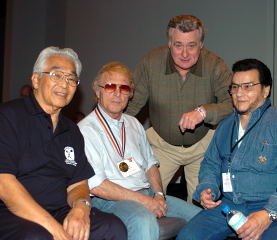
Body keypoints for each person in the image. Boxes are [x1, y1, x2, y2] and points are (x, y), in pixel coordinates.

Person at [0, 47, 127, 240]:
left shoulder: (71, 130)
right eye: (56, 74)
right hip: (12, 214)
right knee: (38, 237)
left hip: (59, 211)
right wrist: (53, 228)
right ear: (36, 80)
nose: (64, 84)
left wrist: (81, 208)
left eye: (71, 78)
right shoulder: (8, 116)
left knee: (112, 227)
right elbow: (4, 184)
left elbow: (78, 184)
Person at [78, 62, 201, 240]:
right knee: (143, 219)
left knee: (202, 218)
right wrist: (145, 202)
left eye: (124, 88)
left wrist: (158, 195)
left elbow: (150, 165)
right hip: (110, 201)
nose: (117, 93)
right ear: (98, 92)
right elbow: (97, 186)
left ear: (130, 94)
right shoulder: (85, 130)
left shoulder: (133, 124)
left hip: (147, 193)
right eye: (111, 86)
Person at [125, 15, 233, 203]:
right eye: (178, 45)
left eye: (191, 45)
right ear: (169, 44)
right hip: (161, 145)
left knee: (201, 204)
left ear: (201, 45)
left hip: (202, 147)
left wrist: (203, 112)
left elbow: (232, 104)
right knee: (146, 199)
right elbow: (133, 105)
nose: (184, 53)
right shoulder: (150, 63)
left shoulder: (215, 65)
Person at [177, 59, 277, 240]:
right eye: (235, 87)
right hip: (228, 206)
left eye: (248, 86)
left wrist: (269, 213)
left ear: (266, 90)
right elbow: (211, 163)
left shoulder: (274, 123)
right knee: (187, 236)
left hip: (267, 206)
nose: (239, 93)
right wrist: (207, 188)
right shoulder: (225, 126)